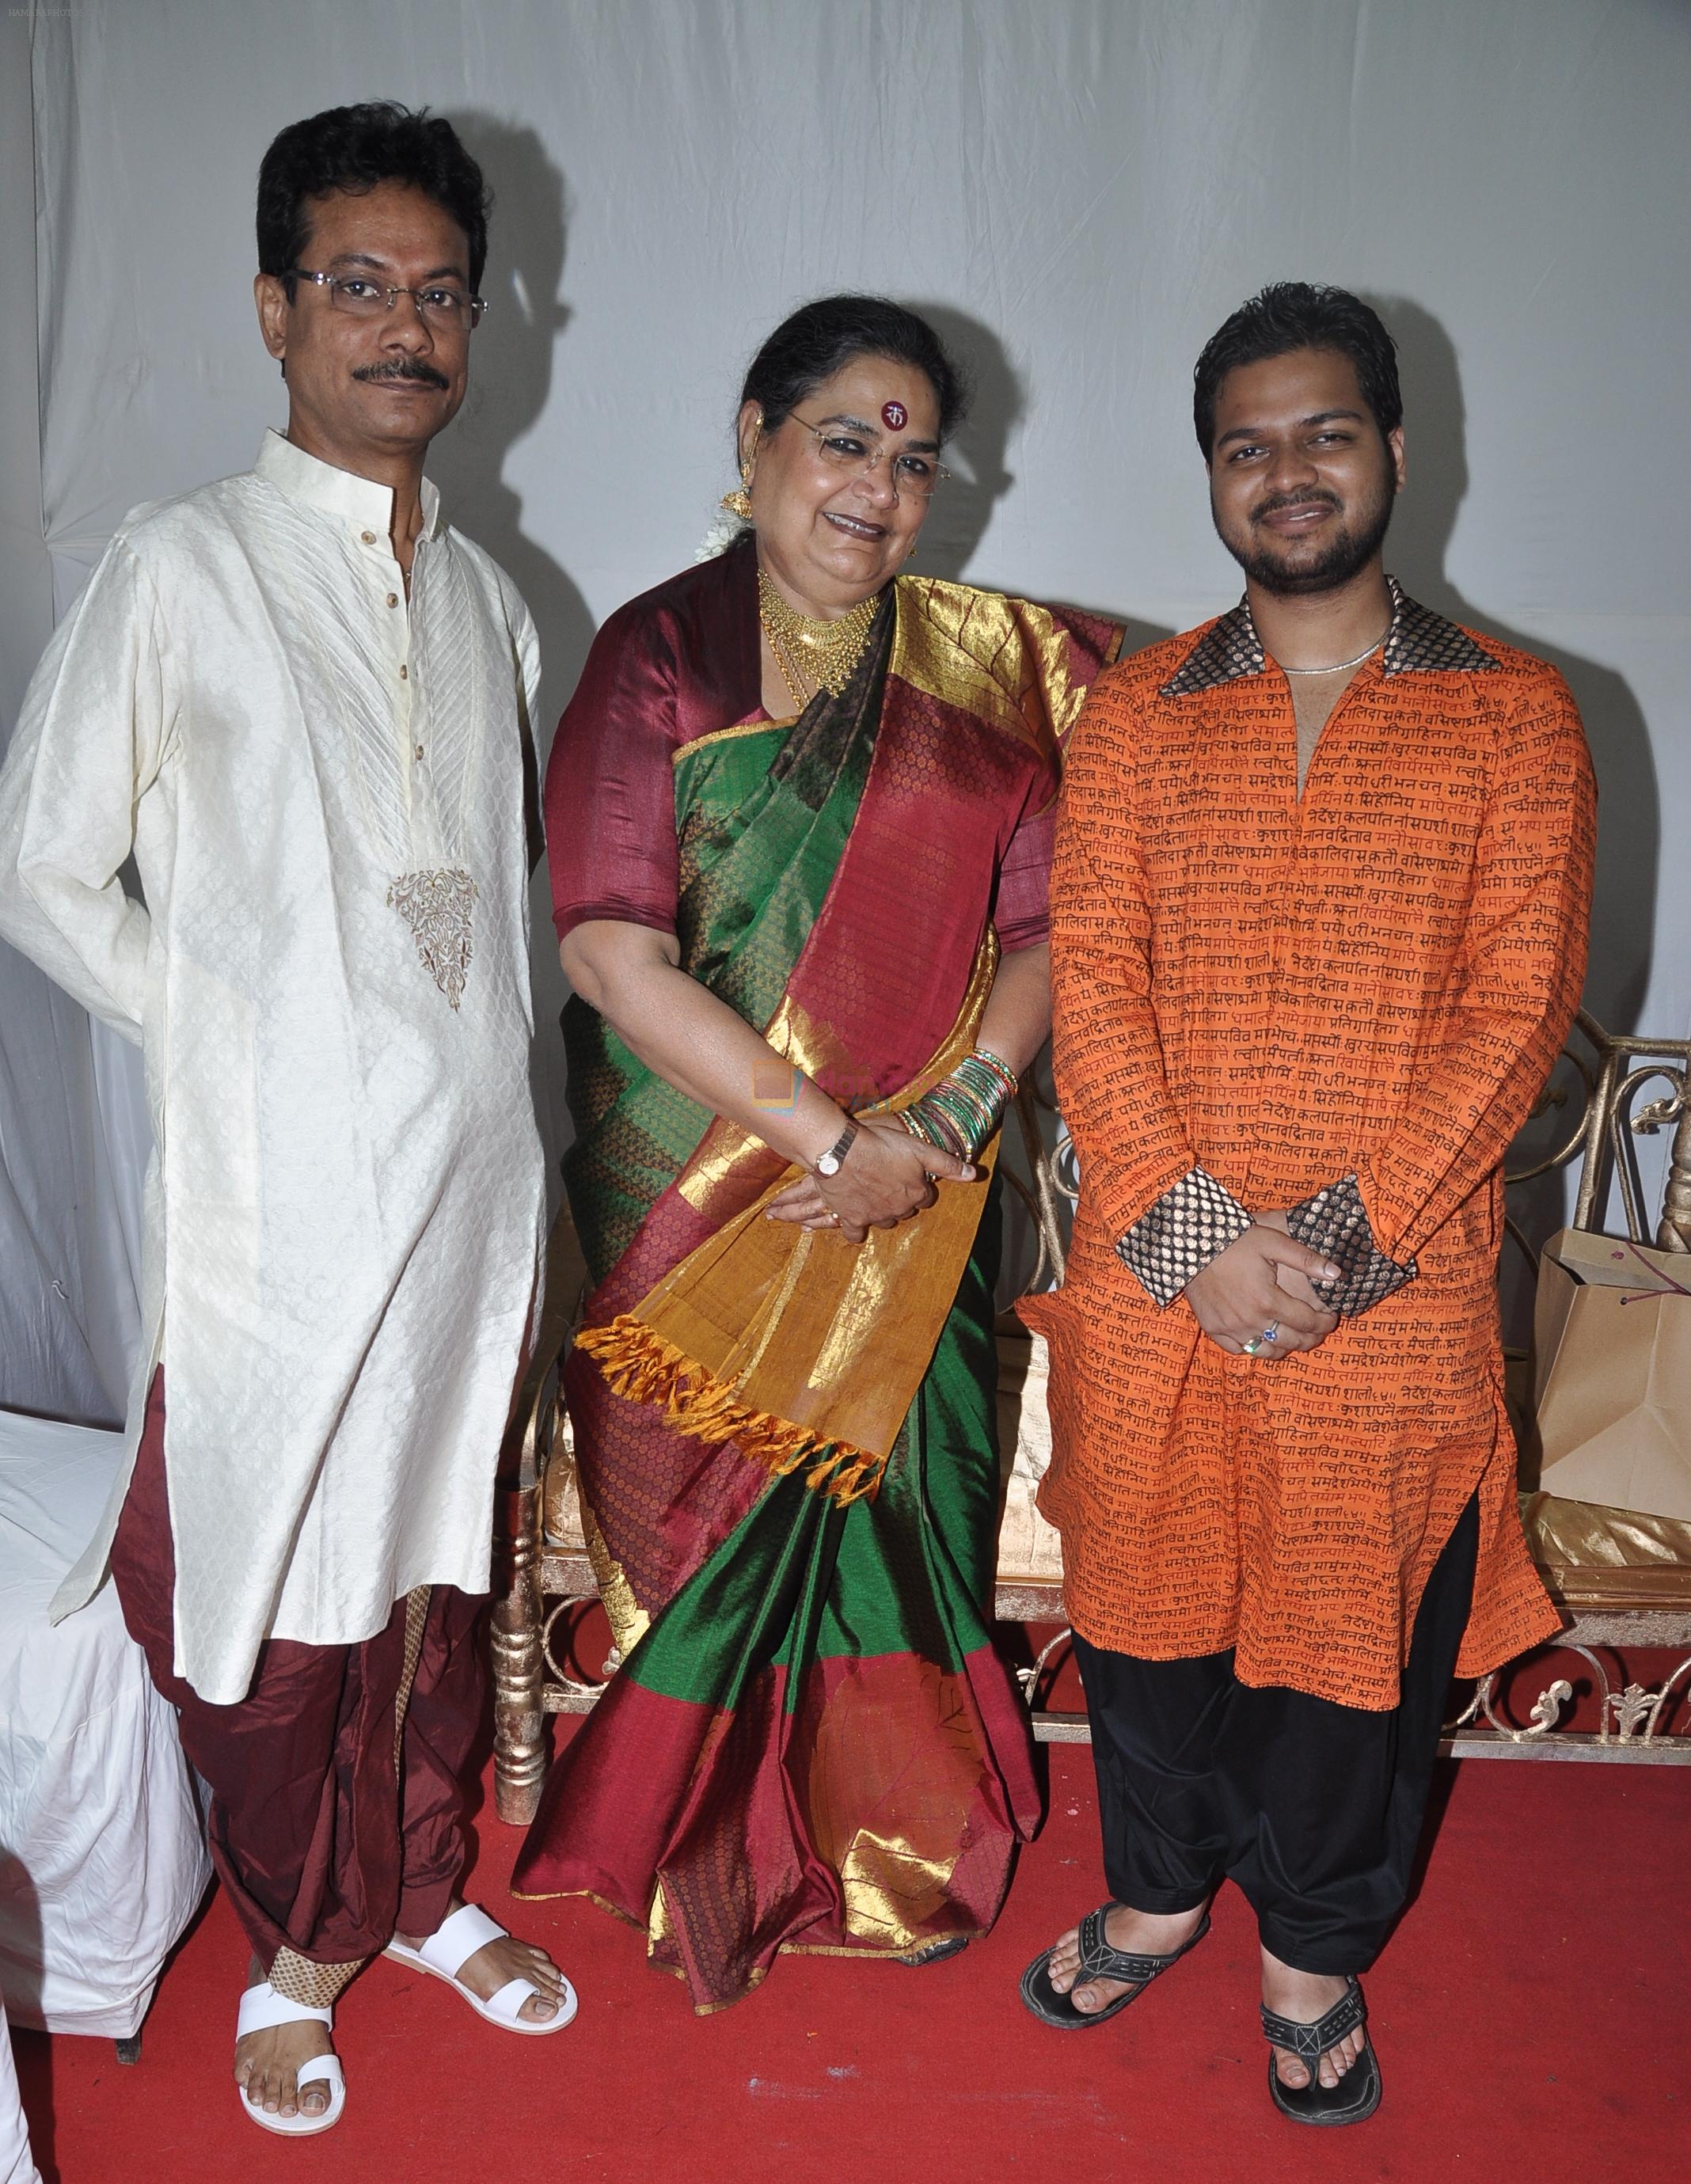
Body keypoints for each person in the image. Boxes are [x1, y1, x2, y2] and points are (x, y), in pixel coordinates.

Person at [0, 104, 573, 2138]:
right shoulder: (180, 568)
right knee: (265, 1616)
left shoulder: (493, 602)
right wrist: (227, 1027)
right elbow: (41, 868)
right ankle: (288, 1947)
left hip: (471, 1218)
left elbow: (473, 909)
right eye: (358, 287)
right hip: (273, 1235)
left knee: (430, 1594)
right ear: (274, 311)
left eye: (439, 294)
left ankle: (414, 1900)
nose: (404, 329)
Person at [1020, 283, 1594, 2125]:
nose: (1287, 473)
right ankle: (1162, 1889)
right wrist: (1200, 1252)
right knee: (1153, 1622)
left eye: (1324, 433)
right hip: (1162, 1290)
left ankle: (1315, 1947)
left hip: (1392, 1302)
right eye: (1247, 443)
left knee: (1358, 1657)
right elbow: (1089, 992)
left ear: (1397, 452)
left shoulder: (1519, 720)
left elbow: (1518, 1023)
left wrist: (1332, 1255)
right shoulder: (1131, 717)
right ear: (1211, 472)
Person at [512, 294, 1121, 2010]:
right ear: (754, 438)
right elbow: (609, 950)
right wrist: (829, 1139)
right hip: (702, 1198)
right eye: (848, 437)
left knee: (893, 1521)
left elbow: (1043, 926)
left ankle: (893, 1841)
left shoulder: (997, 664)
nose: (881, 484)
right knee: (711, 1529)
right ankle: (689, 1844)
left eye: (916, 457)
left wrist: (937, 1129)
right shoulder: (658, 656)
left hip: (922, 1201)